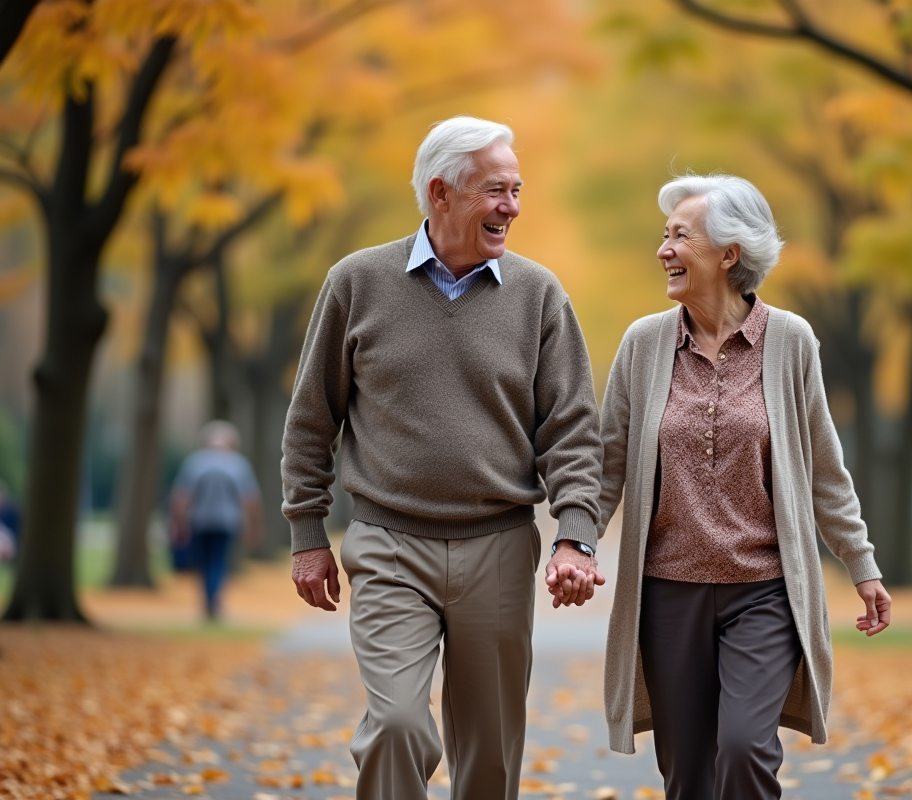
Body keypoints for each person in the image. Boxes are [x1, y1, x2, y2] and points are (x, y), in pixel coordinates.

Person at [281, 116, 604, 800]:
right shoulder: (356, 283)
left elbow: (572, 432)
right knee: (397, 725)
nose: (511, 206)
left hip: (498, 545)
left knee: (488, 758)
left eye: (516, 190)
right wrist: (307, 536)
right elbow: (312, 421)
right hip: (389, 543)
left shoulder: (539, 296)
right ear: (440, 193)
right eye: (495, 190)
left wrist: (575, 534)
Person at [596, 173, 892, 800]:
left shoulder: (790, 342)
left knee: (745, 752)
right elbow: (607, 467)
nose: (663, 249)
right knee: (688, 774)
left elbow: (824, 472)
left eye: (680, 236)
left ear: (728, 254)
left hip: (762, 593)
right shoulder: (644, 344)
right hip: (669, 592)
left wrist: (861, 567)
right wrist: (576, 542)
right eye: (664, 234)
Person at [170, 420, 262, 620]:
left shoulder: (195, 462)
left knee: (203, 562)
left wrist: (179, 522)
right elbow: (250, 499)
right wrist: (253, 526)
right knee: (219, 561)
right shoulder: (238, 464)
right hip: (228, 522)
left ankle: (207, 601)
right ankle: (214, 600)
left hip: (199, 521)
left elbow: (182, 496)